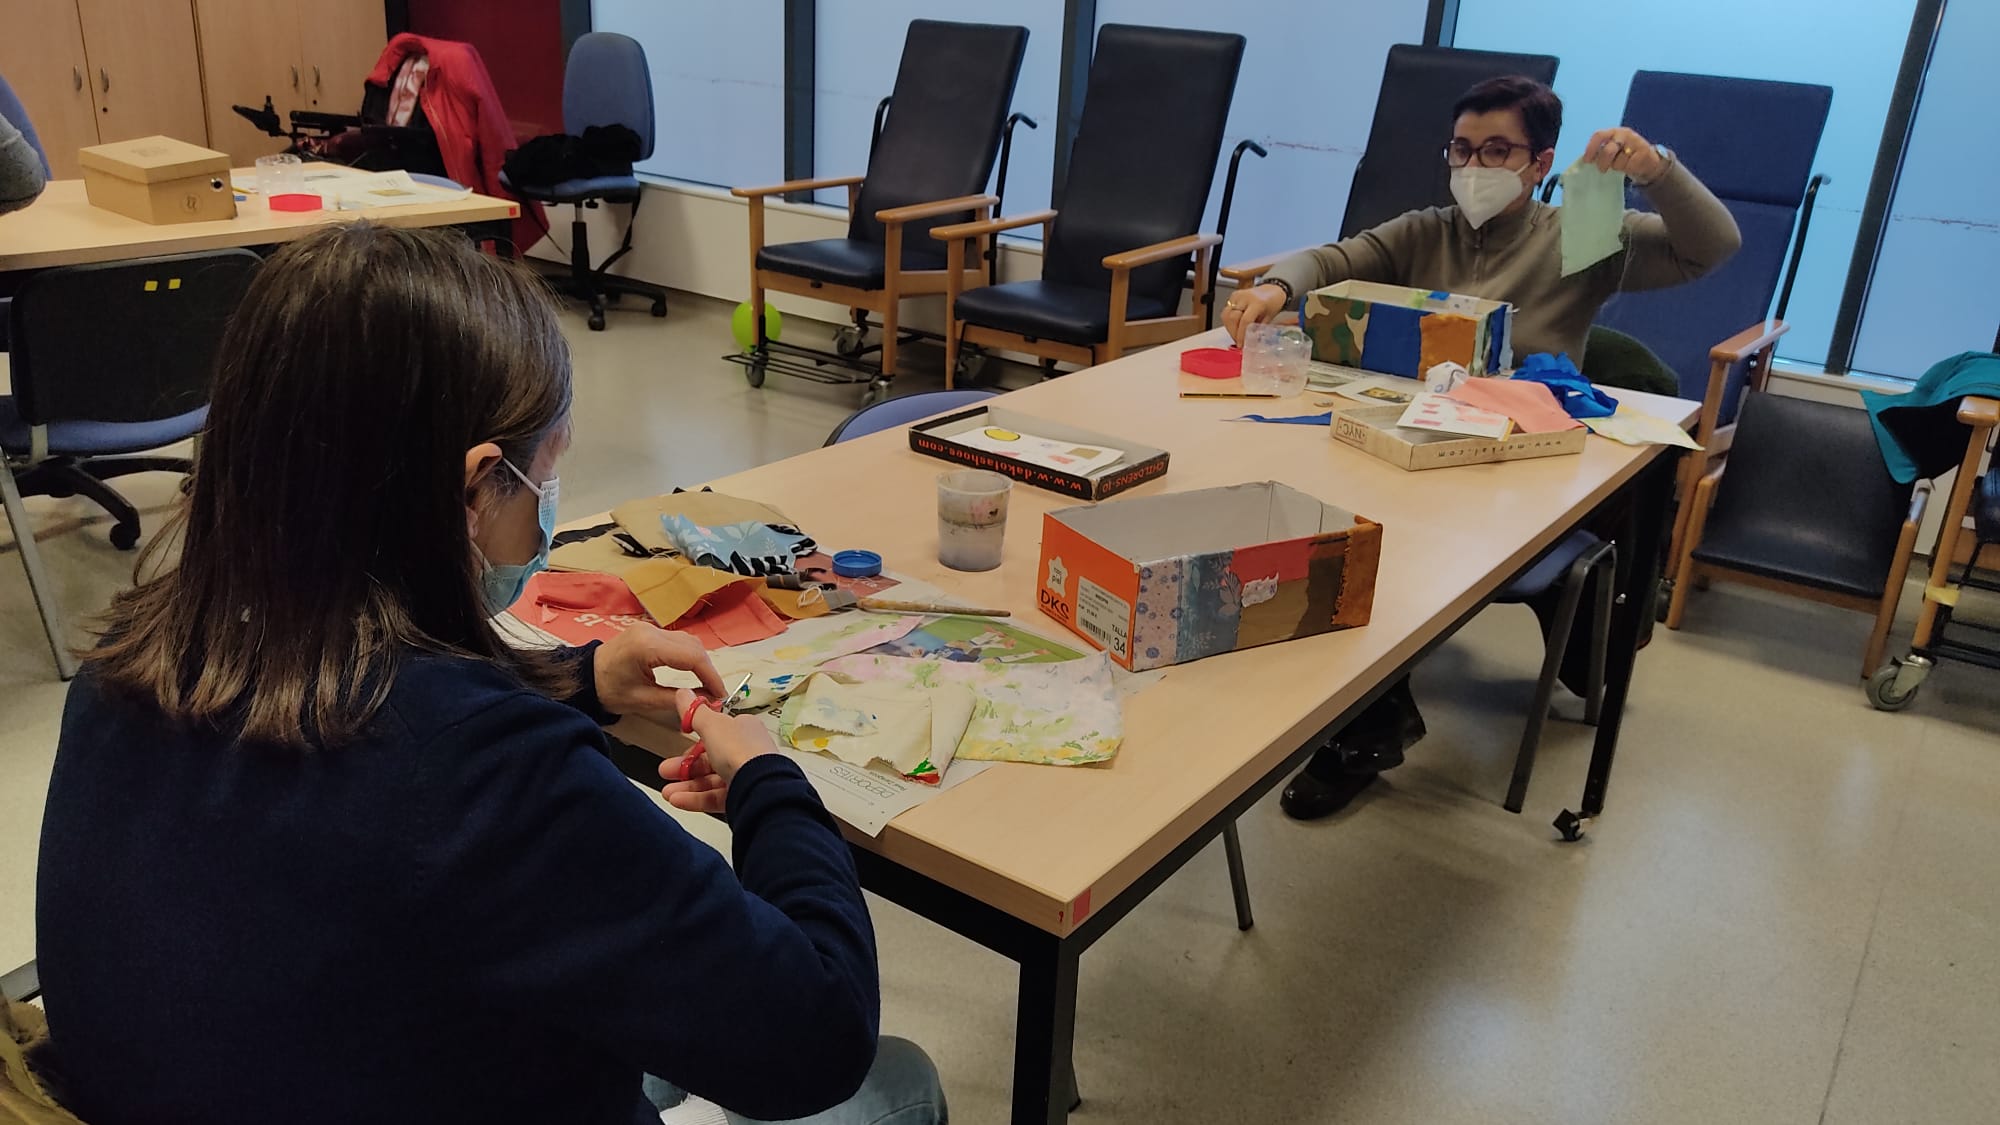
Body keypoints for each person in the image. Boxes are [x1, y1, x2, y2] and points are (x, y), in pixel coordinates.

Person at [35, 223, 946, 1125]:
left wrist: (571, 679)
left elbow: (366, 713)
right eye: (546, 475)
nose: (548, 508)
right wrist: (771, 784)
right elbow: (816, 1036)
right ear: (477, 488)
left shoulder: (126, 667)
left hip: (309, 1065)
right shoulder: (482, 777)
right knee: (896, 1081)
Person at [1224, 76, 1741, 821]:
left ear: (1541, 163)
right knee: (1334, 517)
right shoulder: (1424, 231)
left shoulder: (1583, 239)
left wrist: (1656, 169)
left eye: (1497, 150)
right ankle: (1372, 725)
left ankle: (1556, 600)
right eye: (1462, 149)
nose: (1474, 167)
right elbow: (1336, 258)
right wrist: (1275, 288)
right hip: (1421, 447)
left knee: (1396, 543)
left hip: (1523, 468)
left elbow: (1711, 248)